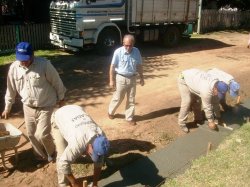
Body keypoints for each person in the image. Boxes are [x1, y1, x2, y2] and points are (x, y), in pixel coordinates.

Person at [1, 42, 66, 162]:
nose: (23, 62)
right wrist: (7, 107)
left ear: (32, 55)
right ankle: (40, 157)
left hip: (46, 105)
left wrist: (61, 99)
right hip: (28, 106)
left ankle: (52, 153)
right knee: (31, 134)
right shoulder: (14, 68)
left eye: (26, 59)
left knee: (41, 135)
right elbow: (10, 89)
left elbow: (57, 82)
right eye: (20, 59)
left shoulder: (44, 65)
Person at [51, 105, 110, 187]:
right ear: (90, 146)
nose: (91, 155)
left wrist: (95, 184)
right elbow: (63, 163)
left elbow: (99, 161)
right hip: (59, 116)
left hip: (77, 110)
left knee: (75, 152)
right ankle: (63, 184)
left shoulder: (101, 136)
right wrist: (74, 183)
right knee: (62, 155)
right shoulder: (78, 142)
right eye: (92, 154)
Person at [108, 34, 144, 125]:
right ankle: (110, 112)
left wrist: (142, 77)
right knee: (118, 98)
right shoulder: (118, 52)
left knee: (131, 99)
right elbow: (112, 67)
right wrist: (111, 80)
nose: (128, 47)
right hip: (121, 78)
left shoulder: (136, 51)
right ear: (123, 43)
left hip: (132, 78)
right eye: (126, 45)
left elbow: (139, 65)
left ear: (133, 44)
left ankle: (129, 117)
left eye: (130, 45)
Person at [178, 68, 228, 133]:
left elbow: (215, 103)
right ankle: (181, 123)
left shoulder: (217, 84)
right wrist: (211, 121)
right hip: (183, 78)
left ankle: (198, 119)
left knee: (197, 100)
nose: (218, 94)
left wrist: (218, 117)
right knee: (187, 101)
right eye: (218, 93)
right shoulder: (206, 90)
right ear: (215, 89)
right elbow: (207, 106)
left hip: (195, 80)